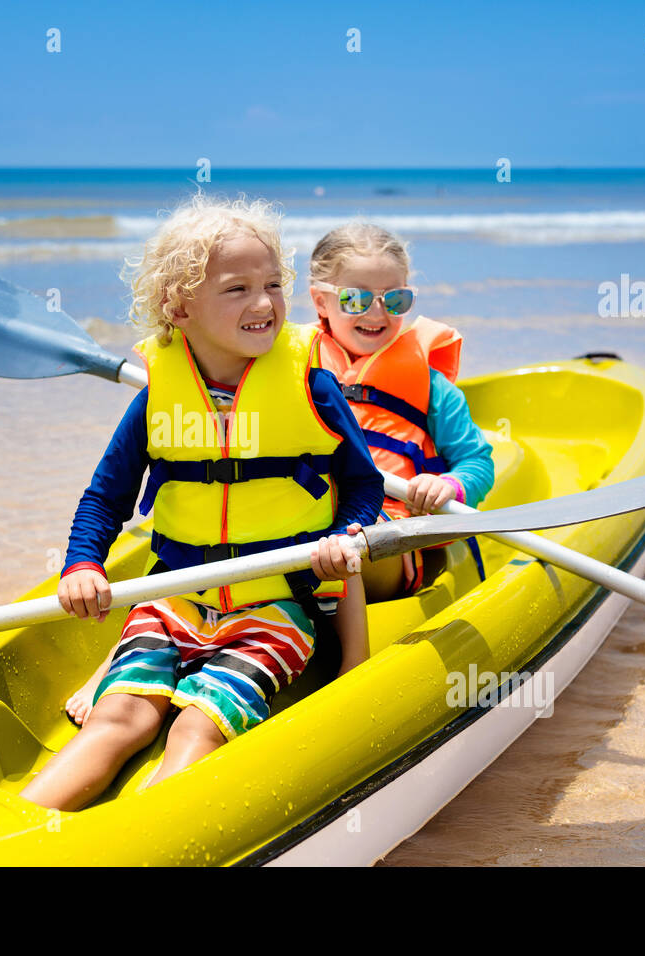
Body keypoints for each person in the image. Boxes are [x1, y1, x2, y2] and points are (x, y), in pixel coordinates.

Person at [21, 196, 383, 810]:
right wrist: (82, 565)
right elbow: (105, 497)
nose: (264, 302)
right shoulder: (159, 395)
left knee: (196, 726)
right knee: (121, 721)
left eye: (273, 284)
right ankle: (21, 834)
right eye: (237, 288)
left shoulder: (311, 385)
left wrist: (347, 534)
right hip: (174, 601)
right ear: (179, 307)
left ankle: (138, 840)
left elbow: (364, 484)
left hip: (274, 607)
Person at [309, 222, 494, 600]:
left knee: (351, 538)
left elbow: (478, 463)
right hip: (302, 519)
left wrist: (448, 485)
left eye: (395, 300)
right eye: (356, 299)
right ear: (319, 302)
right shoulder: (291, 368)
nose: (377, 312)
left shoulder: (433, 389)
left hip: (386, 535)